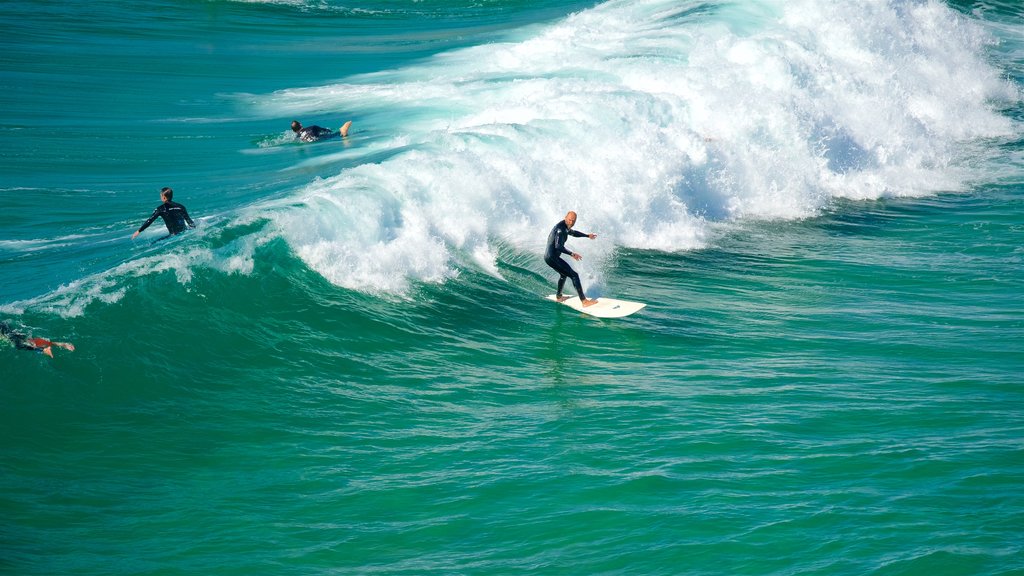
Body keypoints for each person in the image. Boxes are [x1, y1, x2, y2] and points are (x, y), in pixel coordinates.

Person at [545, 210, 598, 307]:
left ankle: (559, 297)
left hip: (550, 257)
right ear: (565, 217)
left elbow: (574, 233)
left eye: (573, 221)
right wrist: (572, 254)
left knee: (563, 274)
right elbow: (558, 246)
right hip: (552, 258)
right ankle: (584, 301)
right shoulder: (560, 230)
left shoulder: (565, 226)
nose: (571, 223)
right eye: (570, 220)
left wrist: (587, 235)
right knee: (574, 275)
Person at [0, 321, 75, 358]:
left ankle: (44, 350)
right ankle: (60, 344)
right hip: (4, 325)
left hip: (3, 329)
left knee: (18, 345)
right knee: (27, 340)